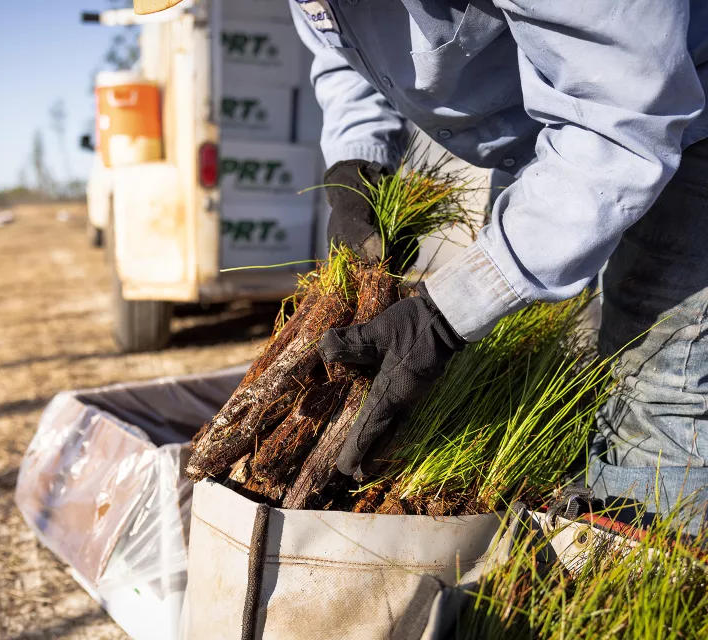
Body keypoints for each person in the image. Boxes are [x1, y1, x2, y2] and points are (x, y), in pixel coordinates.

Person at [138, 0, 708, 524]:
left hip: (678, 110)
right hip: (548, 136)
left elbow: (625, 110)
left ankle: (639, 588)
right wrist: (355, 156)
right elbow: (339, 48)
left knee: (660, 390)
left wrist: (447, 311)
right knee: (519, 358)